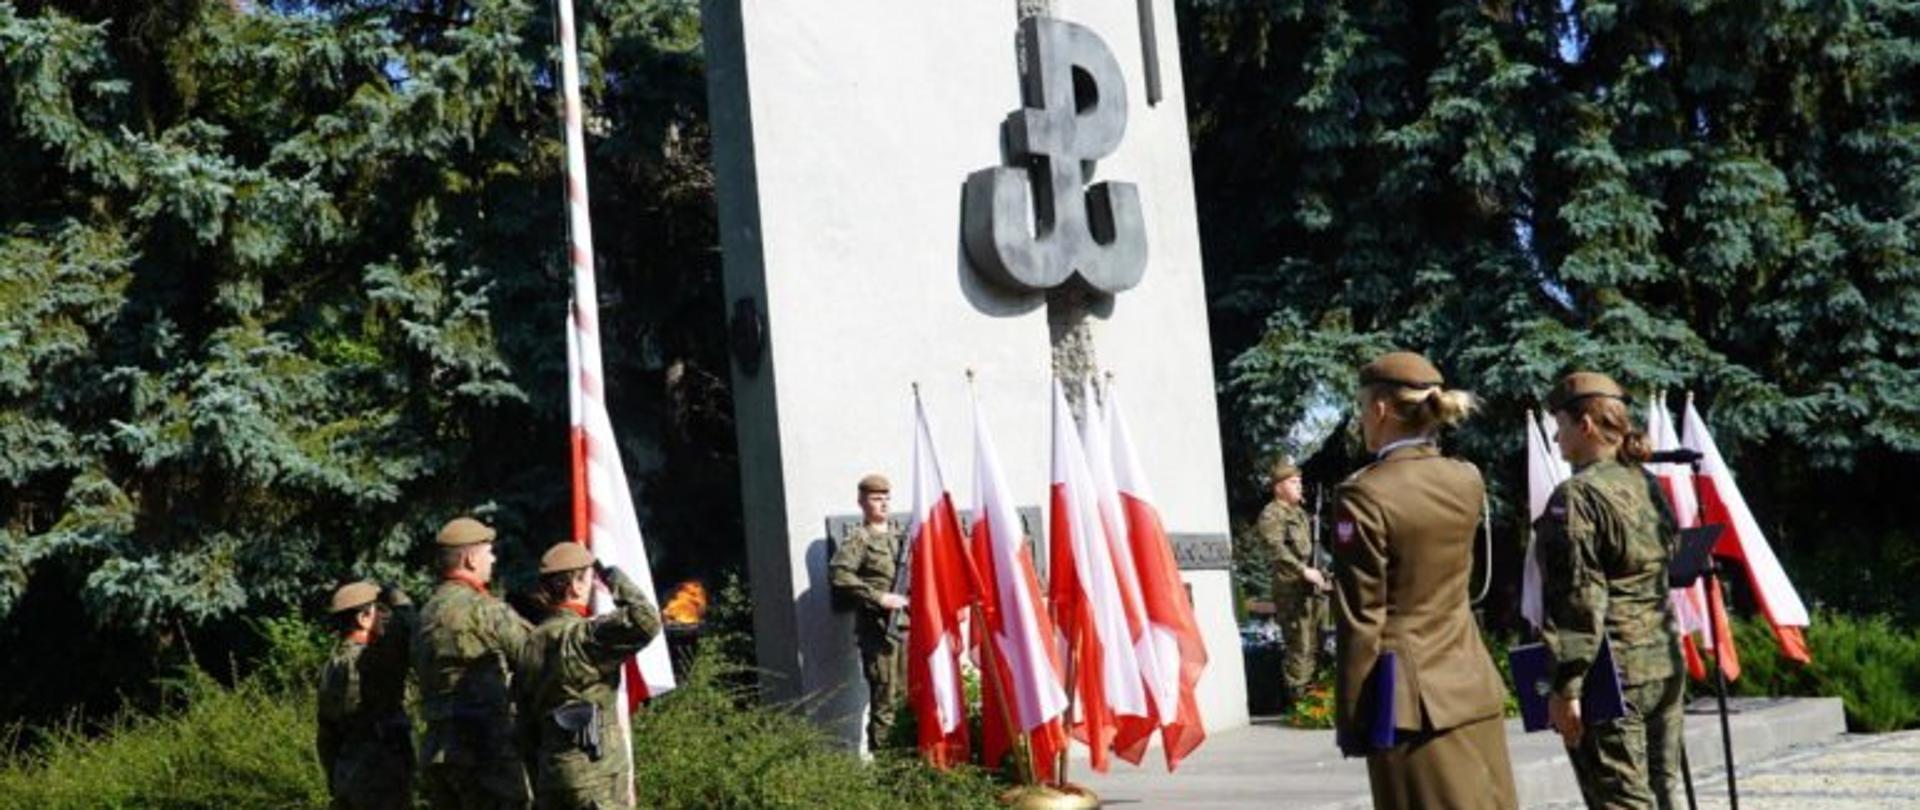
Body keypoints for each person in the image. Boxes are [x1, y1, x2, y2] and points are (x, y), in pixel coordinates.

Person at [1332, 351, 1517, 810]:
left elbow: (1362, 619)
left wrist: (1354, 718)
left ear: (1379, 409)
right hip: (1471, 683)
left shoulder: (1364, 494)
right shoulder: (1466, 479)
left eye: (1361, 409)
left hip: (1411, 706)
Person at [1537, 372, 1686, 809]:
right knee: (1662, 793)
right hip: (1662, 662)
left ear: (1585, 425)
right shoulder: (1645, 483)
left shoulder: (1578, 496)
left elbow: (1578, 601)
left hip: (1613, 674)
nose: (1555, 435)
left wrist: (1566, 689)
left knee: (1622, 801)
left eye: (1560, 424)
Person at [515, 542, 661, 809]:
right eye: (588, 578)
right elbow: (646, 619)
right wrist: (611, 575)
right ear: (575, 586)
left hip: (552, 774)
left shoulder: (531, 641)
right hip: (596, 779)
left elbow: (524, 722)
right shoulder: (583, 639)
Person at [415, 516, 535, 809]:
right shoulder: (485, 610)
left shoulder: (425, 614)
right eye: (488, 551)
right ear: (469, 560)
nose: (493, 559)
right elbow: (536, 657)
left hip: (438, 750)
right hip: (486, 750)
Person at [317, 580, 417, 810]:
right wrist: (401, 603)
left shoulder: (334, 664)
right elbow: (411, 631)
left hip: (348, 771)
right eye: (380, 610)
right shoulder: (368, 660)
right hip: (379, 775)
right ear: (363, 618)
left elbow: (327, 732)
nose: (386, 617)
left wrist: (334, 778)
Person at [827, 473, 907, 751]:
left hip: (906, 629)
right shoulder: (859, 539)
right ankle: (886, 766)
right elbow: (840, 573)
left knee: (907, 697)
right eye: (876, 498)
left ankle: (906, 761)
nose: (883, 504)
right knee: (885, 700)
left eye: (886, 498)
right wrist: (878, 597)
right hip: (879, 630)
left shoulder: (901, 536)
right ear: (862, 502)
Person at [1257, 458, 1330, 703]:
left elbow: (1310, 552)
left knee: (1317, 644)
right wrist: (1302, 570)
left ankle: (1316, 701)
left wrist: (1321, 573)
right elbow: (1274, 548)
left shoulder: (1299, 514)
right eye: (1293, 482)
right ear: (1279, 487)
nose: (1300, 486)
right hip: (1291, 591)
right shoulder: (1272, 514)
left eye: (1300, 482)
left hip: (1311, 589)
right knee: (1300, 647)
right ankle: (1300, 706)